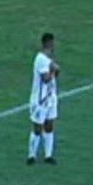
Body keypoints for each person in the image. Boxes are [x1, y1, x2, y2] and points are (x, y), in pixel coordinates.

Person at [27, 32, 60, 165]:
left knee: (49, 125)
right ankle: (31, 156)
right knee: (37, 128)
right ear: (48, 43)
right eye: (52, 43)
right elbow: (45, 79)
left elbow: (54, 75)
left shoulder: (49, 59)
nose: (54, 45)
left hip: (50, 98)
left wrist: (56, 70)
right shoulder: (41, 59)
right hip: (40, 100)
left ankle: (48, 155)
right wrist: (53, 70)